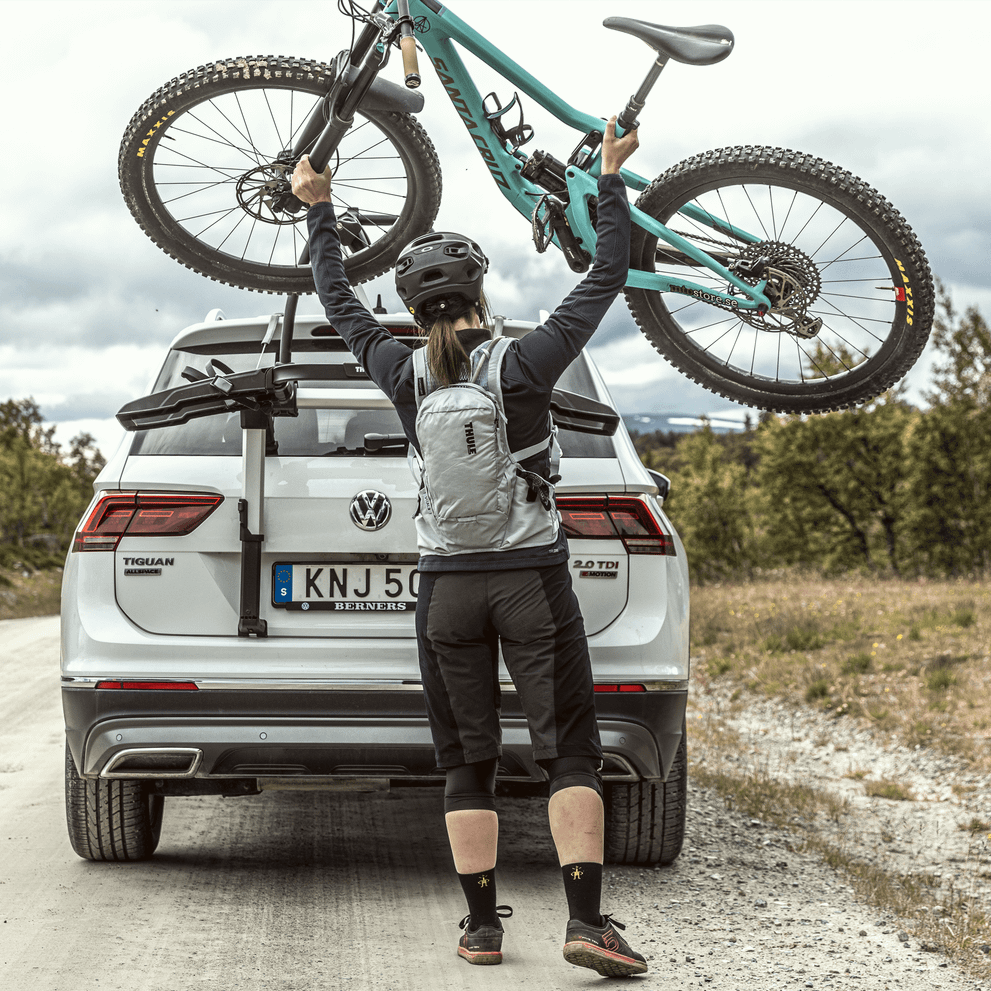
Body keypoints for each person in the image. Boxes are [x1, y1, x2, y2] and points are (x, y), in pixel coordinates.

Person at [292, 116, 644, 978]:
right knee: (567, 751)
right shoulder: (526, 363)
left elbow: (337, 301)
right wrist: (605, 176)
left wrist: (320, 210)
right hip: (531, 578)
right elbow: (608, 270)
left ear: (413, 311)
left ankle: (481, 928)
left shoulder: (400, 371)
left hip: (445, 587)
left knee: (466, 759)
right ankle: (587, 923)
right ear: (481, 296)